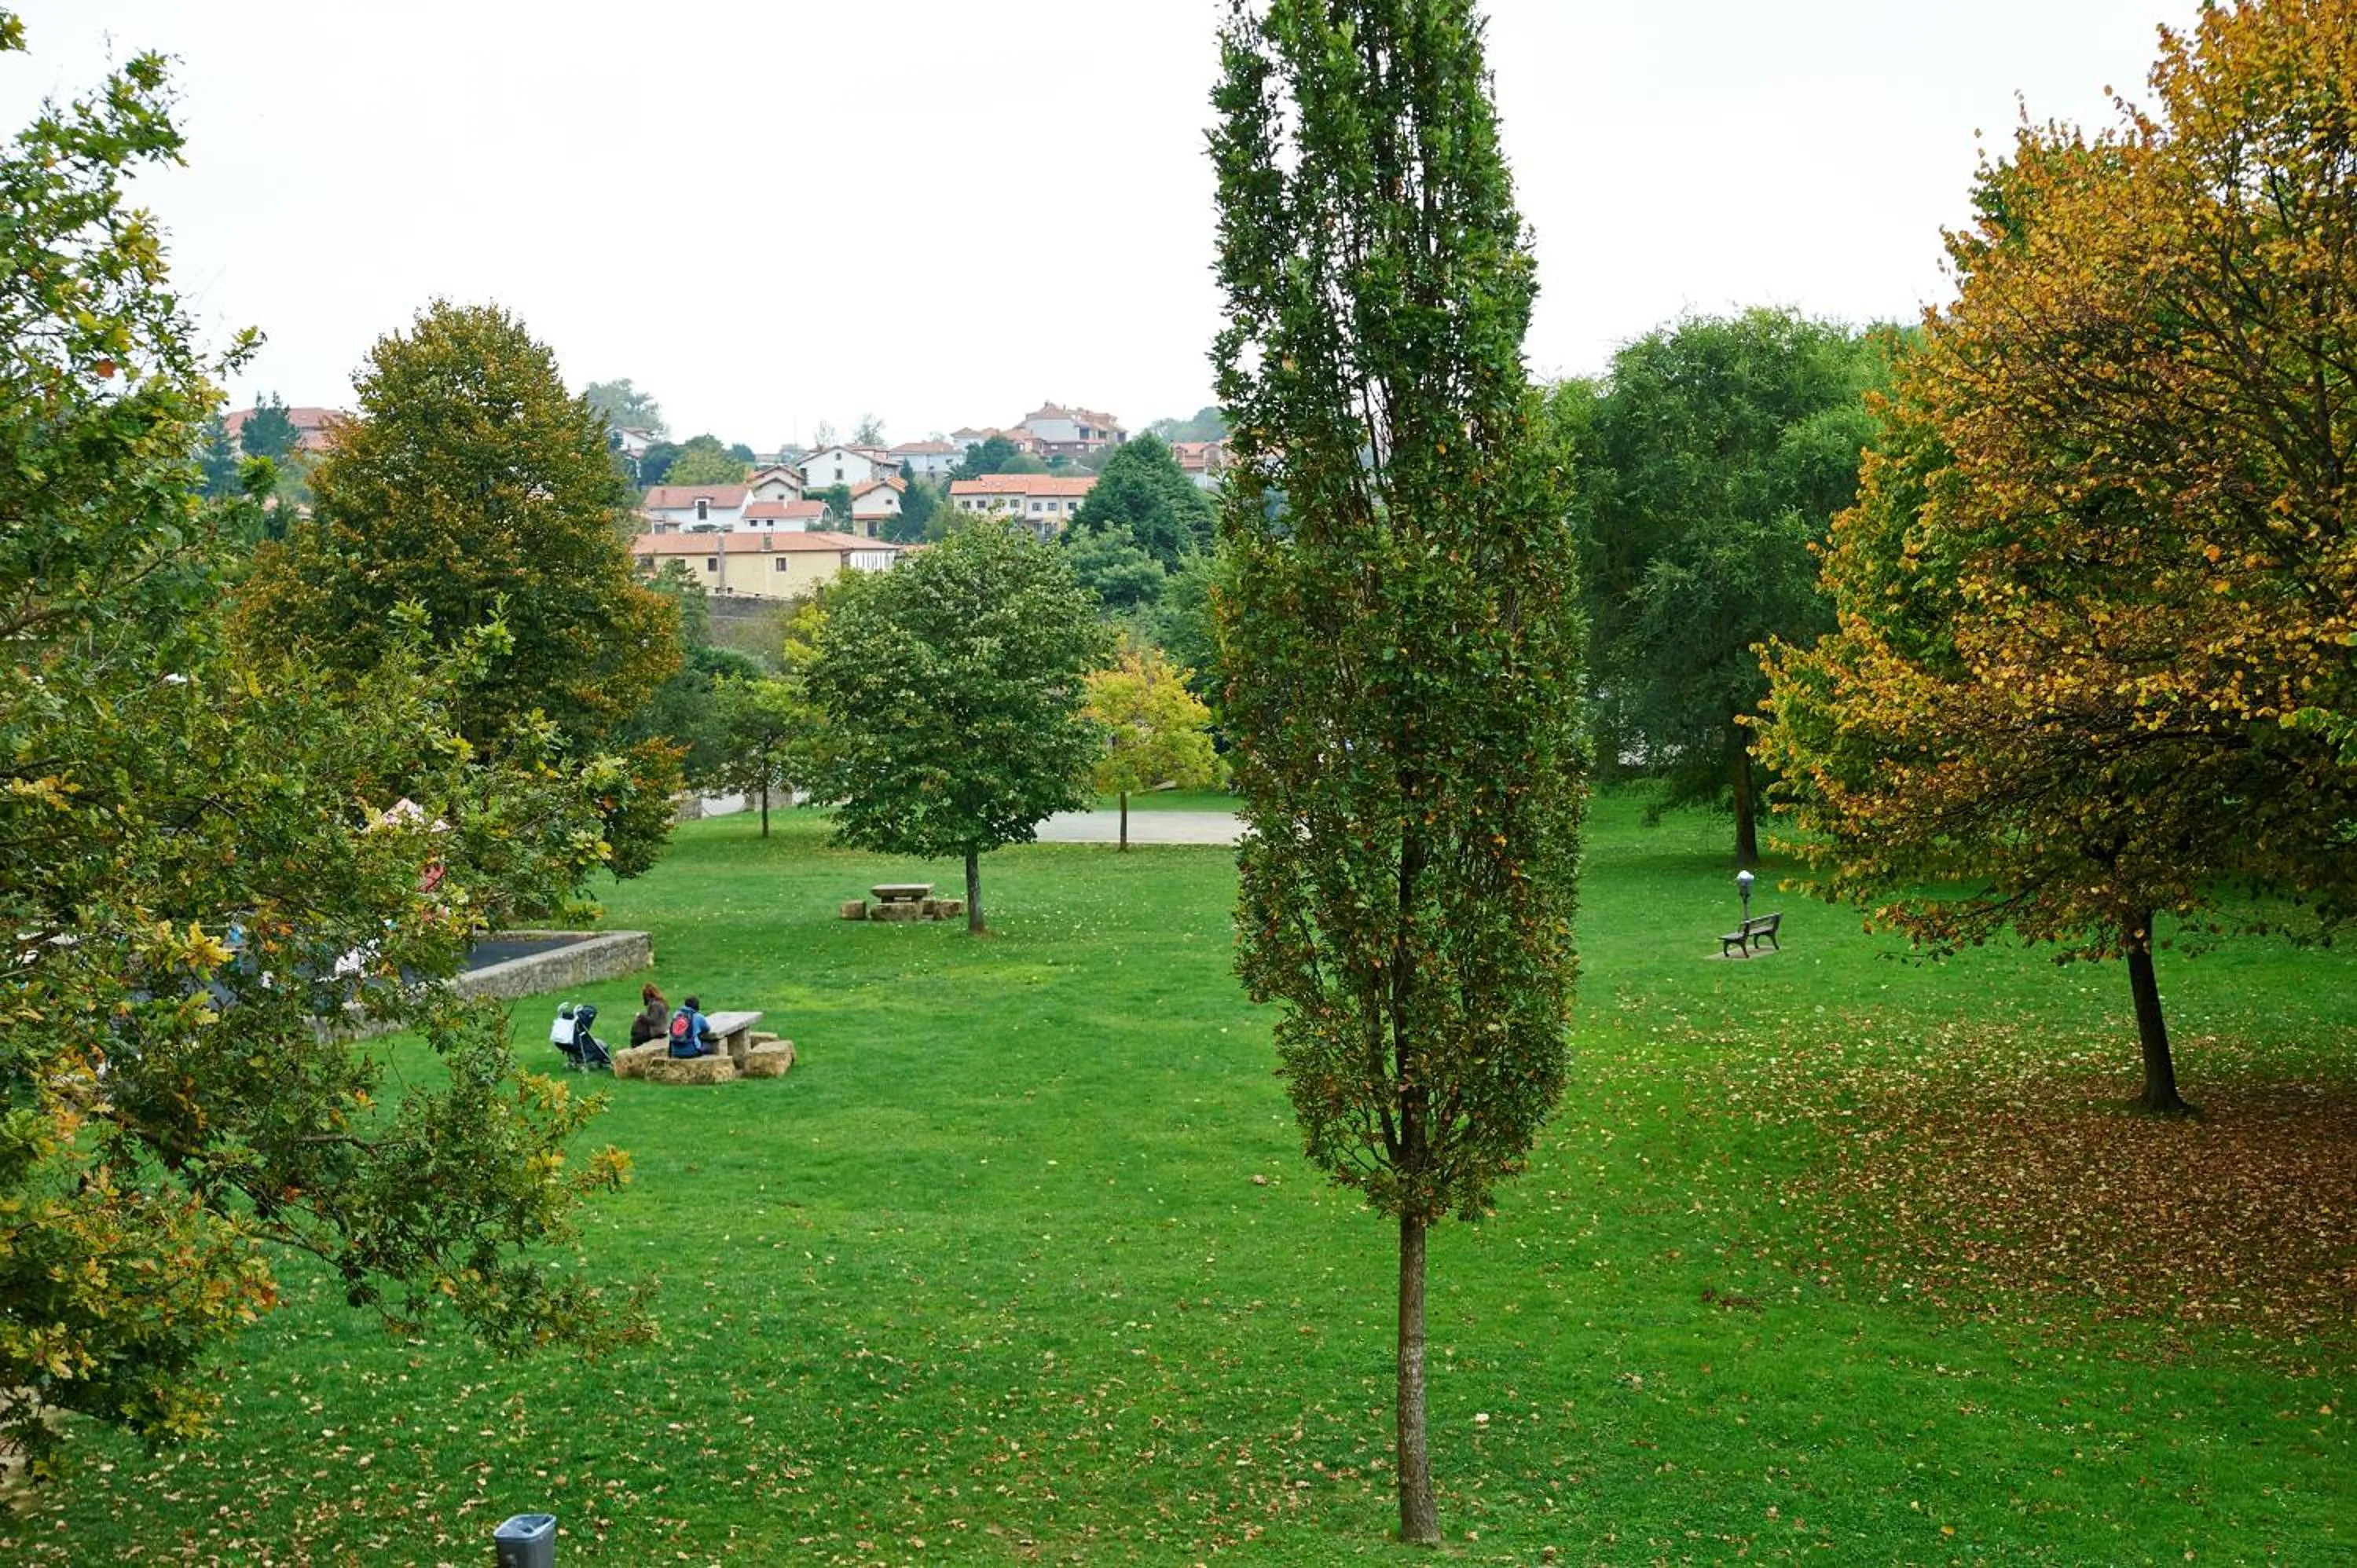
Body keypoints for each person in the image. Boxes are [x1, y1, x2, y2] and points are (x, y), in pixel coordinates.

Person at [667, 994, 721, 1058]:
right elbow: (707, 1028)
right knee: (710, 1046)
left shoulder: (676, 1015)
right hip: (692, 1052)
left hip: (675, 1052)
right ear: (697, 1006)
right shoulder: (698, 1017)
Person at [629, 983, 668, 1048]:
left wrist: (641, 1016)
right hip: (661, 1030)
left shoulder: (655, 1004)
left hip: (657, 1032)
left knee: (635, 1040)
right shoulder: (660, 1002)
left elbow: (653, 1021)